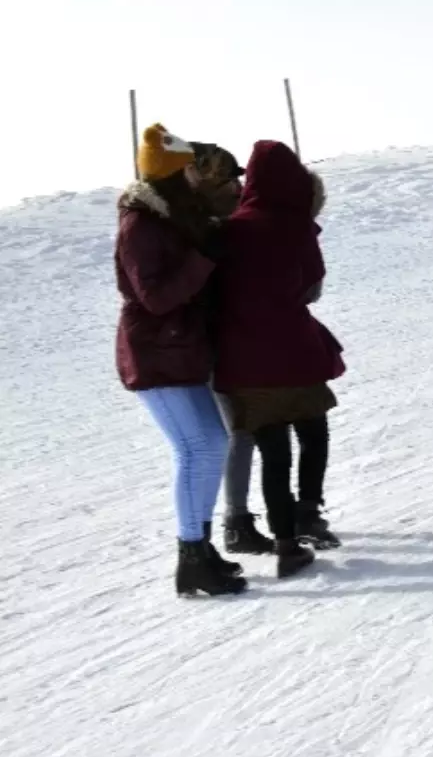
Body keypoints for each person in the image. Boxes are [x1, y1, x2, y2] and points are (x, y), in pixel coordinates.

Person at [114, 123, 247, 597]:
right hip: (155, 352)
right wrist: (203, 259)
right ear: (171, 174)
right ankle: (192, 557)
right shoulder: (141, 225)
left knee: (211, 444)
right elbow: (154, 297)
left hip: (181, 349)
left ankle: (202, 548)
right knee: (200, 447)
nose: (196, 174)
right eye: (189, 167)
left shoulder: (174, 217)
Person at [212, 139, 346, 578]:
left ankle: (286, 545)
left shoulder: (229, 229)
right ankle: (309, 510)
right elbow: (312, 287)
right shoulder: (296, 228)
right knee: (314, 433)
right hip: (295, 351)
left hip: (245, 360)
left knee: (273, 452)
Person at [190, 142, 277, 555]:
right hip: (209, 342)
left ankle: (230, 522)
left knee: (235, 433)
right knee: (233, 433)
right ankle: (233, 523)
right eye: (228, 178)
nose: (236, 186)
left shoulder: (222, 221)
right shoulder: (198, 228)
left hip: (228, 339)